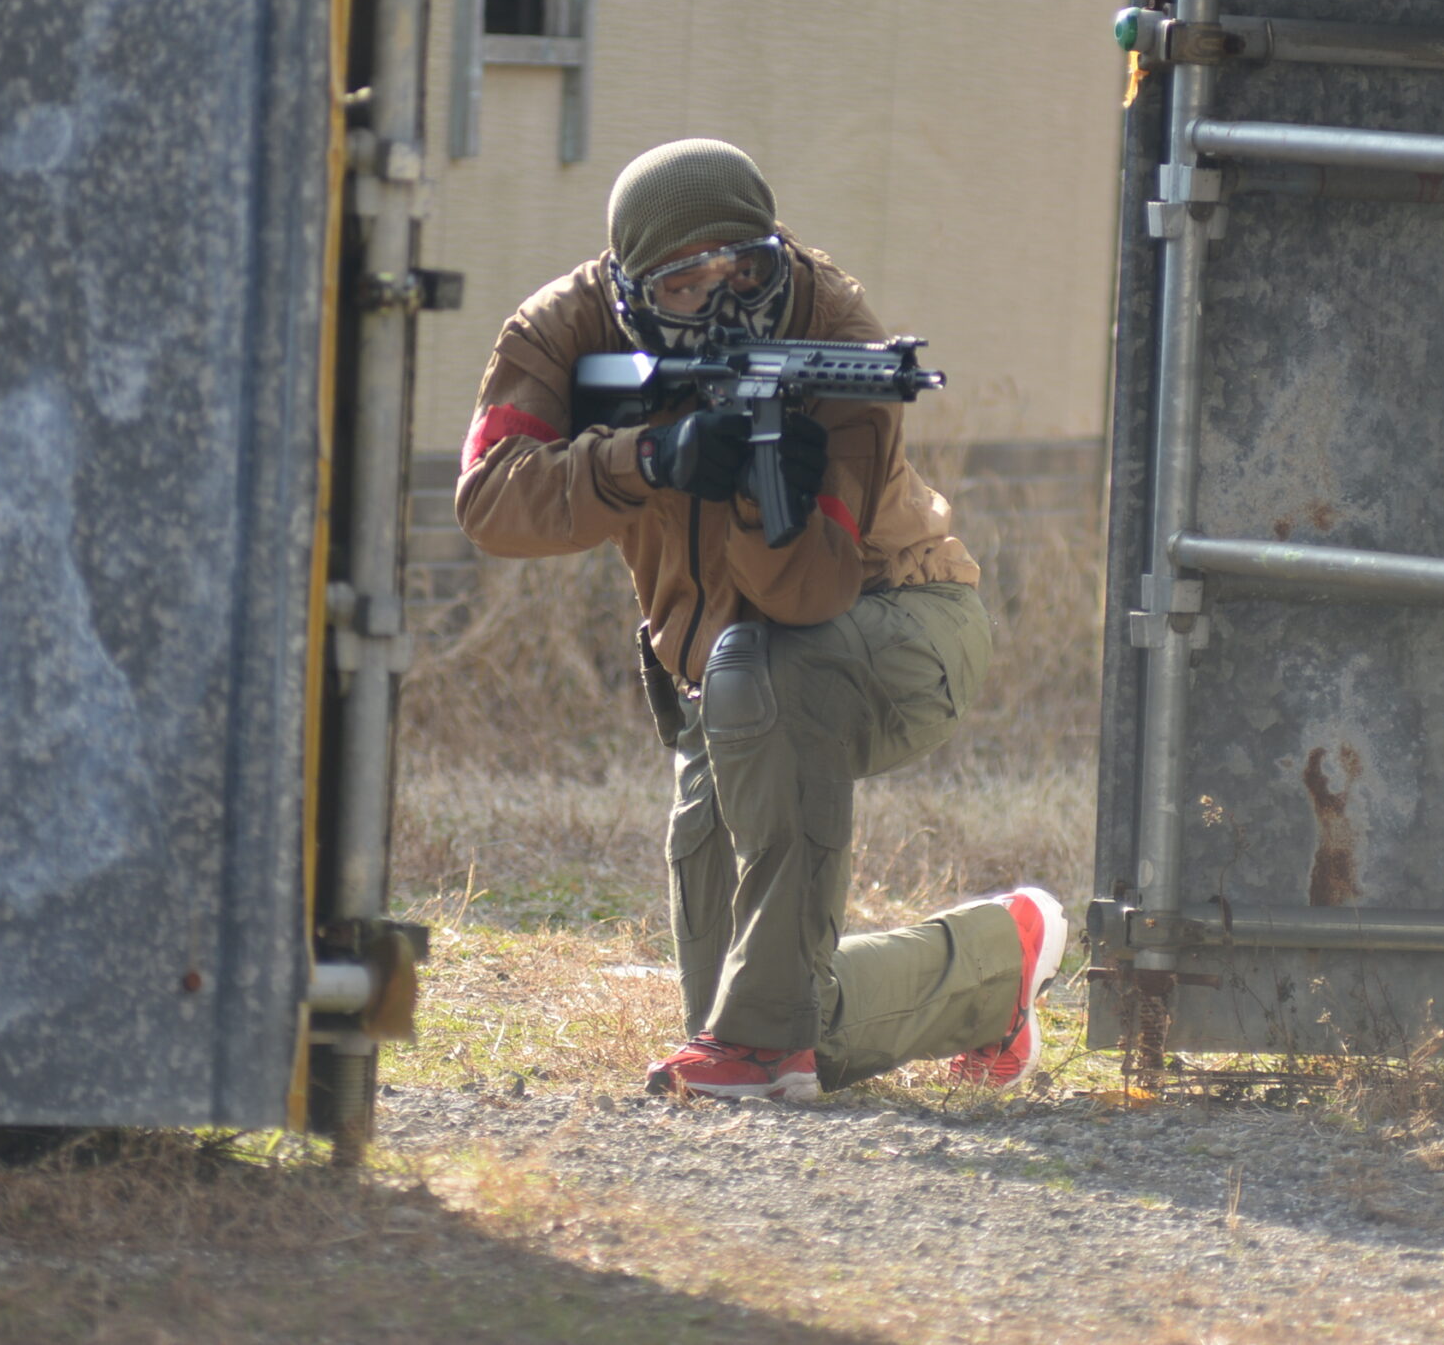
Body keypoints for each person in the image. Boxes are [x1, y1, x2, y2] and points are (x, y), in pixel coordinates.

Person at [453, 137, 1068, 1102]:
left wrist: (760, 484)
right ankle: (997, 961)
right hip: (723, 678)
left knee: (760, 1008)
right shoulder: (563, 328)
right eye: (687, 283)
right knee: (740, 1002)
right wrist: (648, 459)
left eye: (746, 270)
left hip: (900, 626)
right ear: (630, 287)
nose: (725, 300)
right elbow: (489, 500)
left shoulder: (834, 330)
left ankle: (770, 1045)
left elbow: (812, 593)